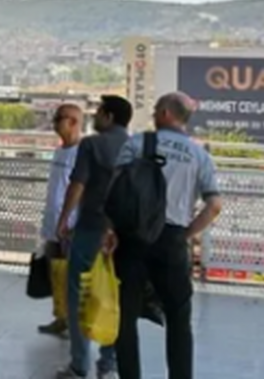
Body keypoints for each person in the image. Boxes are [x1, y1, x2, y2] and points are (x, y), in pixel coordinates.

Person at [109, 93, 222, 379]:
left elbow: (113, 191)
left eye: (156, 110)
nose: (154, 116)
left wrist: (109, 230)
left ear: (166, 114)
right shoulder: (199, 155)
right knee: (179, 318)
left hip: (132, 239)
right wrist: (186, 234)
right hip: (172, 240)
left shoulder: (136, 144)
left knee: (125, 317)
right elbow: (214, 205)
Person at [56, 95, 134, 379]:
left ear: (109, 116)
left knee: (79, 294)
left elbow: (77, 184)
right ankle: (108, 363)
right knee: (113, 295)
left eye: (99, 112)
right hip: (124, 233)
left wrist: (64, 219)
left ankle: (79, 364)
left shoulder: (92, 144)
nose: (96, 116)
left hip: (92, 226)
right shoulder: (137, 146)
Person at [38, 103, 84, 337]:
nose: (55, 123)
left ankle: (74, 322)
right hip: (53, 223)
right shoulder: (59, 151)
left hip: (70, 226)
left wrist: (72, 221)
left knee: (70, 276)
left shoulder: (81, 154)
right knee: (55, 272)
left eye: (59, 118)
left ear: (73, 122)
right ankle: (60, 317)